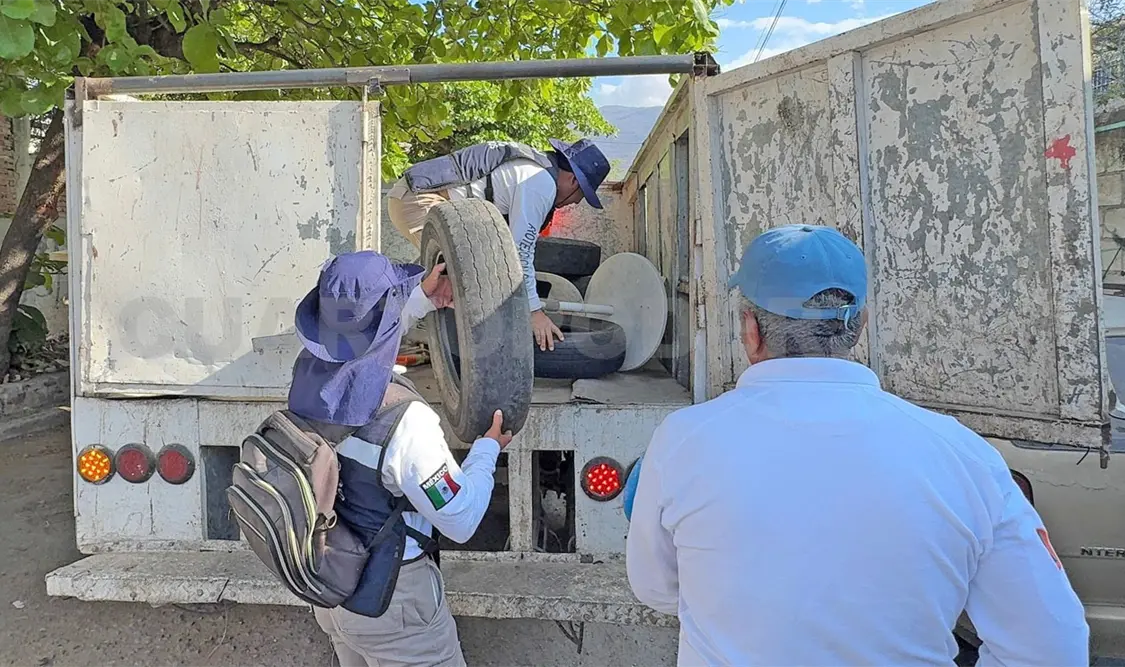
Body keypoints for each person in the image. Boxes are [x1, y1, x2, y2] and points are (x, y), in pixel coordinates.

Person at [625, 224, 1090, 667]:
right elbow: (1050, 645)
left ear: (751, 328)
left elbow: (655, 587)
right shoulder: (964, 455)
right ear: (859, 325)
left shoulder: (682, 442)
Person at [288, 250, 512, 667]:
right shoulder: (404, 423)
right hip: (393, 605)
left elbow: (365, 339)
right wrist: (486, 451)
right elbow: (460, 519)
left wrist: (421, 299)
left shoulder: (308, 377)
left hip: (333, 586)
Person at [386, 138, 611, 352]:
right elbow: (521, 252)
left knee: (462, 278)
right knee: (467, 280)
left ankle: (401, 326)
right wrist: (534, 311)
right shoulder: (540, 184)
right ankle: (386, 336)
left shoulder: (535, 169)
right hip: (419, 199)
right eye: (580, 195)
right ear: (573, 180)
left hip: (419, 197)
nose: (573, 203)